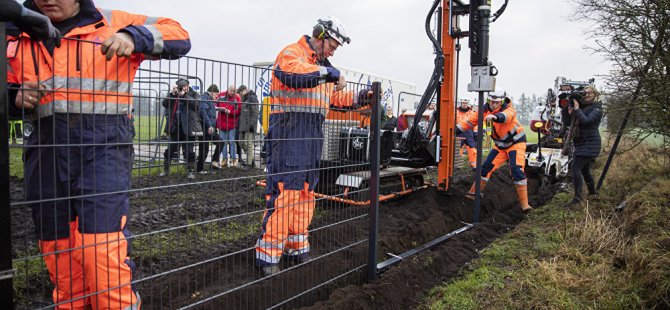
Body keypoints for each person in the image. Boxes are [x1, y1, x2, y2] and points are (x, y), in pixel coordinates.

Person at [6, 0, 191, 308]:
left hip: (103, 149)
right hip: (46, 152)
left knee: (101, 249)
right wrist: (14, 98)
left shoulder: (112, 21)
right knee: (58, 252)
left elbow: (179, 35)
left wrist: (134, 37)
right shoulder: (14, 31)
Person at [255, 16, 372, 276]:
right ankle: (268, 255)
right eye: (332, 44)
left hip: (311, 134)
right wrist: (330, 73)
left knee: (306, 192)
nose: (333, 50)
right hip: (289, 131)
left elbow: (336, 99)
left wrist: (362, 97)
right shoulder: (293, 53)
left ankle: (296, 246)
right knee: (286, 191)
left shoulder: (321, 68)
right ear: (319, 36)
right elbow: (292, 73)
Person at [456, 89, 533, 212]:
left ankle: (525, 205)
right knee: (485, 169)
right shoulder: (482, 111)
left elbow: (506, 117)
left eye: (497, 102)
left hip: (516, 143)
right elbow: (468, 123)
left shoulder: (509, 109)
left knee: (517, 171)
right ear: (488, 100)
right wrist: (453, 130)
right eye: (492, 102)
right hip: (500, 146)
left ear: (502, 101)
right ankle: (471, 195)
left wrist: (495, 116)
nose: (494, 104)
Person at [567, 85, 603, 205]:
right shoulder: (582, 107)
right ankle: (593, 193)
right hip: (582, 143)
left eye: (589, 93)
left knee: (575, 168)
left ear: (595, 95)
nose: (586, 95)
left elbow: (587, 122)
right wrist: (568, 106)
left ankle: (577, 198)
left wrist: (577, 109)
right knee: (585, 171)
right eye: (585, 93)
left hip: (590, 143)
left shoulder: (597, 109)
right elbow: (567, 121)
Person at [160, 78, 202, 179]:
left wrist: (185, 96)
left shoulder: (194, 94)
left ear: (188, 85)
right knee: (170, 150)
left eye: (185, 86)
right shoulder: (174, 94)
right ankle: (165, 170)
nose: (183, 88)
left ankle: (190, 171)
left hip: (188, 127)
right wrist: (172, 94)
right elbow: (165, 104)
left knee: (189, 151)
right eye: (181, 86)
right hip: (175, 127)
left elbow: (196, 105)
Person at [196, 84, 220, 173]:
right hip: (206, 128)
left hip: (210, 128)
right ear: (212, 92)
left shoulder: (208, 99)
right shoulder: (205, 98)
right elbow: (203, 112)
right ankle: (200, 168)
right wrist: (209, 125)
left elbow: (209, 110)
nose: (217, 97)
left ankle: (213, 162)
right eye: (216, 95)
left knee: (219, 142)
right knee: (204, 148)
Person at [216, 85, 241, 167]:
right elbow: (215, 105)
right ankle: (224, 159)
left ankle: (233, 159)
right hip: (221, 122)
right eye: (231, 90)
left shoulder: (237, 98)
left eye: (234, 91)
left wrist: (230, 112)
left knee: (232, 141)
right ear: (228, 89)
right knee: (222, 142)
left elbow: (238, 111)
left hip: (232, 123)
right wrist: (220, 109)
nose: (233, 93)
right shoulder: (220, 95)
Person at [237, 85, 260, 168]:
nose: (240, 95)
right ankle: (251, 160)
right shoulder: (245, 99)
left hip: (249, 126)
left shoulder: (252, 98)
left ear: (244, 91)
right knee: (241, 143)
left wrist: (252, 125)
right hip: (243, 125)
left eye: (240, 93)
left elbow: (255, 113)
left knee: (248, 144)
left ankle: (249, 163)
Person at [456, 98, 477, 169]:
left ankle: (474, 164)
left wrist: (475, 132)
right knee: (457, 148)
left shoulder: (472, 113)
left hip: (469, 132)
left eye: (466, 103)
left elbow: (475, 123)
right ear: (461, 103)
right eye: (463, 103)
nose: (464, 104)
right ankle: (457, 165)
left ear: (468, 104)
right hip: (458, 132)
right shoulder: (456, 112)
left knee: (472, 148)